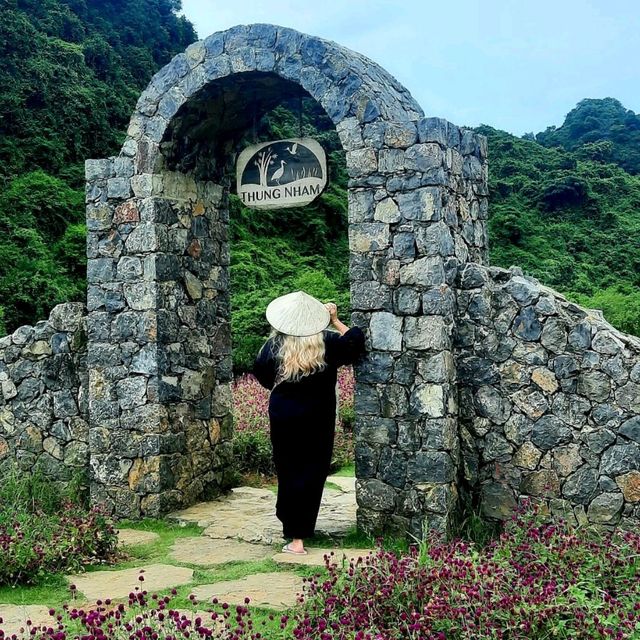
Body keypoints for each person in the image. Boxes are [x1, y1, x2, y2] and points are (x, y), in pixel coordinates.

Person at [252, 290, 365, 555]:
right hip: (318, 415)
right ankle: (302, 529)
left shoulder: (275, 344)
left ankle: (296, 536)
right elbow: (355, 341)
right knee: (313, 471)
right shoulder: (328, 342)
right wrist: (335, 320)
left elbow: (262, 373)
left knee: (289, 470)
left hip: (284, 414)